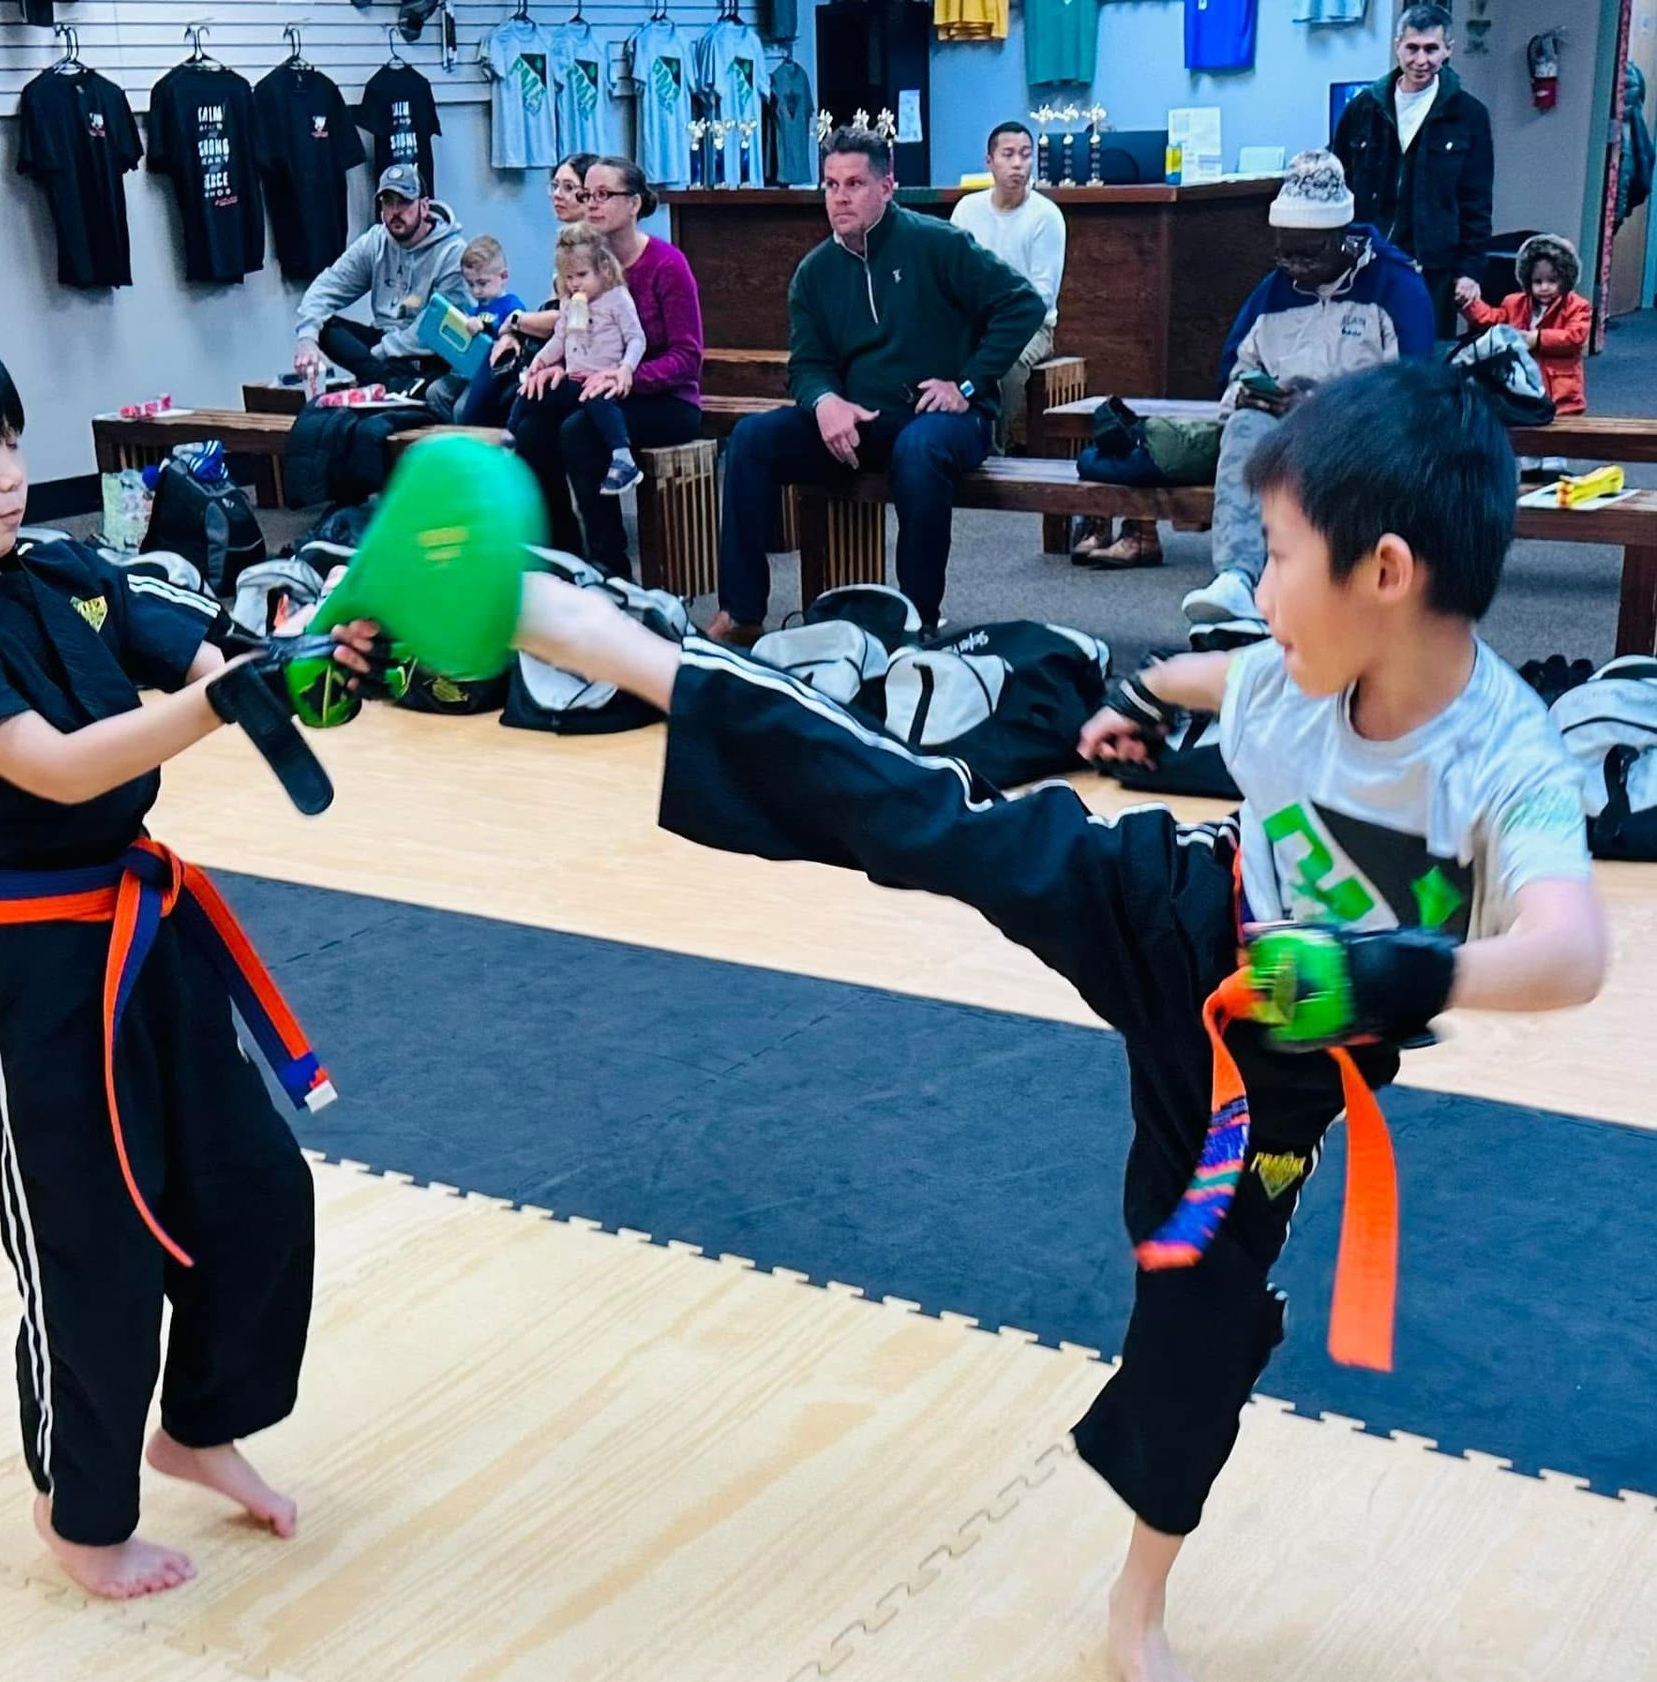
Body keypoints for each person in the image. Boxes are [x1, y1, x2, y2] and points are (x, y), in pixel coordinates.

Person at [505, 356, 1605, 1682]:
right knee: (936, 816)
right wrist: (1142, 697)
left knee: (1198, 1323)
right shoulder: (1301, 661)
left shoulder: (1507, 755)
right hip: (1179, 918)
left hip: (1285, 1070)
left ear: (1384, 572)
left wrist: (1395, 979)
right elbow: (1227, 674)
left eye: (1279, 556)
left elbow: (1570, 952)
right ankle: (606, 643)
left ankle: (1136, 1602)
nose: (1260, 588)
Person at [0, 310, 378, 1602]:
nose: (8, 469)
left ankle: (199, 1425)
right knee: (87, 1248)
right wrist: (220, 703)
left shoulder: (56, 564)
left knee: (256, 1191)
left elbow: (209, 653)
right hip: (29, 964)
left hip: (143, 928)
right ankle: (82, 1508)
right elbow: (49, 769)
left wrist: (311, 664)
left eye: (7, 438)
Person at [710, 127, 1042, 644]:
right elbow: (808, 364)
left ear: (888, 187)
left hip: (947, 420)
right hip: (860, 422)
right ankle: (742, 613)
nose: (840, 198)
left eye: (855, 184)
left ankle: (917, 621)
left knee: (919, 447)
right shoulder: (814, 272)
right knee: (752, 439)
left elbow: (1023, 304)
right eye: (831, 185)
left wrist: (970, 384)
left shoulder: (937, 243)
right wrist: (824, 403)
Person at [1178, 149, 1435, 624]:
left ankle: (1315, 597)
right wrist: (1246, 394)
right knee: (1244, 424)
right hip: (1280, 433)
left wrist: (1322, 406)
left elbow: (1415, 395)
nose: (1294, 266)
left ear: (1341, 237)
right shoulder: (1271, 293)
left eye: (1308, 253)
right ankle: (1236, 578)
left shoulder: (1396, 288)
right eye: (1284, 252)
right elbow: (1234, 372)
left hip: (1363, 434)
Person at [508, 155, 703, 578]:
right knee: (531, 423)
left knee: (579, 432)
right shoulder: (580, 268)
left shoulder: (667, 265)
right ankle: (562, 556)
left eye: (603, 195)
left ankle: (612, 571)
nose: (591, 204)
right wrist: (557, 366)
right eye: (586, 195)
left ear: (633, 204)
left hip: (664, 398)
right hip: (595, 388)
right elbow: (569, 333)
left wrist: (625, 377)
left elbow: (687, 359)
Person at [1331, 3, 1494, 340]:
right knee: (1362, 355)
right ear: (1397, 47)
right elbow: (1339, 185)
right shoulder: (1362, 109)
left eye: (1432, 49)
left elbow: (1476, 201)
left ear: (1448, 49)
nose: (1421, 60)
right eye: (1413, 48)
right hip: (1366, 261)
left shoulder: (1469, 115)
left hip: (1433, 265)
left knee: (1422, 361)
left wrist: (1470, 271)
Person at [293, 162, 467, 391]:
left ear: (424, 206)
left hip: (427, 352)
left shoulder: (452, 252)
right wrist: (307, 338)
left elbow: (433, 329)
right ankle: (390, 384)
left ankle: (381, 381)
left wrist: (375, 356)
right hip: (383, 344)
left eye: (404, 202)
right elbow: (326, 287)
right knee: (325, 326)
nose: (395, 212)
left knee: (427, 347)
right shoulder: (376, 241)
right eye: (387, 202)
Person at [950, 121, 1067, 451]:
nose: (1019, 164)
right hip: (974, 321)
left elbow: (1042, 297)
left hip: (1031, 327)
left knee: (1006, 362)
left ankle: (995, 448)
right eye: (1009, 154)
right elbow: (952, 275)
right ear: (990, 162)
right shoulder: (967, 210)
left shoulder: (1046, 216)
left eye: (1026, 155)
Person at [464, 153, 599, 427]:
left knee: (505, 398)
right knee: (493, 366)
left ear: (589, 196)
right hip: (554, 348)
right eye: (555, 186)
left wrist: (514, 321)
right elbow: (551, 306)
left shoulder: (592, 249)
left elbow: (563, 318)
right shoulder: (566, 244)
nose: (557, 195)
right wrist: (513, 332)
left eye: (569, 188)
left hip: (581, 355)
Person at [514, 225, 648, 496]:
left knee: (599, 404)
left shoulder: (616, 299)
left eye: (582, 275)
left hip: (603, 380)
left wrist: (625, 369)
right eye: (569, 277)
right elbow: (560, 339)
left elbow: (636, 338)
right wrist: (541, 361)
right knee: (528, 393)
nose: (575, 283)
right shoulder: (568, 302)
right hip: (574, 379)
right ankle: (508, 442)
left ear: (604, 269)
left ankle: (623, 458)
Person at [1459, 232, 1591, 475]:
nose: (1544, 288)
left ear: (1565, 278)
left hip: (1559, 392)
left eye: (1552, 280)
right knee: (1528, 447)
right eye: (1537, 281)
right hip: (1526, 391)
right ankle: (1530, 484)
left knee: (1554, 452)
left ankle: (1552, 482)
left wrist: (1537, 339)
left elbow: (1575, 337)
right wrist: (1469, 305)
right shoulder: (1514, 303)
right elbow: (1491, 319)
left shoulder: (1577, 306)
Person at [424, 234, 526, 422]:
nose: (476, 291)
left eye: (482, 283)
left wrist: (486, 326)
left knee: (462, 409)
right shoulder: (473, 309)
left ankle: (469, 443)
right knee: (435, 393)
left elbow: (514, 333)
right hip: (465, 371)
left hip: (490, 376)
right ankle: (454, 436)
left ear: (503, 276)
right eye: (470, 284)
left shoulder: (511, 305)